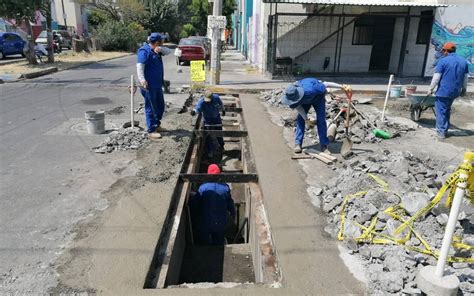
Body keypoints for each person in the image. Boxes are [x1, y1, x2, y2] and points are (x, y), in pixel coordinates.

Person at [281, 78, 351, 154]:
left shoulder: (313, 88)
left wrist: (341, 86)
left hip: (318, 98)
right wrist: (306, 119)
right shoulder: (292, 96)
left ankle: (324, 145)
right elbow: (299, 108)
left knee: (321, 120)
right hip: (304, 101)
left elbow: (326, 84)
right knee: (300, 119)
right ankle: (298, 143)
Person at [428, 42, 469, 139]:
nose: (443, 52)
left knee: (441, 110)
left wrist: (430, 89)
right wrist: (464, 89)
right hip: (455, 91)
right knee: (447, 109)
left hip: (444, 91)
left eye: (443, 50)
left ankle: (441, 132)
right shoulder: (463, 61)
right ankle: (445, 128)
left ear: (446, 51)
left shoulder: (443, 61)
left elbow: (436, 77)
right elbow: (465, 77)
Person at [136, 32, 172, 139]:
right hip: (148, 85)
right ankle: (151, 130)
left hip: (157, 84)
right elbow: (140, 66)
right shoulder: (144, 51)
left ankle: (157, 125)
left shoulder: (157, 50)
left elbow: (169, 51)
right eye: (161, 41)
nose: (163, 43)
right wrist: (142, 80)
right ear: (157, 42)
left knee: (160, 105)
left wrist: (160, 49)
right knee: (150, 107)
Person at [189, 164, 236, 245]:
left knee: (205, 242)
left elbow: (194, 205)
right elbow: (230, 204)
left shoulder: (203, 188)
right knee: (219, 241)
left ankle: (206, 251)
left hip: (206, 222)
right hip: (221, 222)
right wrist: (233, 213)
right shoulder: (225, 188)